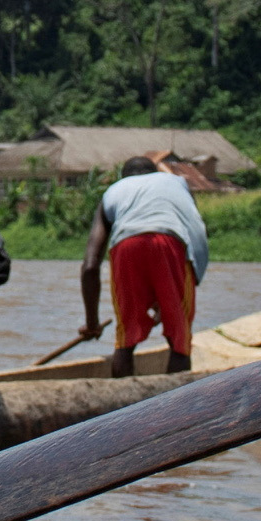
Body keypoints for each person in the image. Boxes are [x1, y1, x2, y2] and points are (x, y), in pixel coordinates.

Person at [90, 152, 206, 374]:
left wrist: (92, 322)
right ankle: (181, 403)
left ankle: (123, 402)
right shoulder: (176, 183)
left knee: (125, 339)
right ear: (155, 173)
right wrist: (185, 284)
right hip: (170, 242)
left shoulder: (113, 191)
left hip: (125, 245)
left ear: (124, 177)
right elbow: (197, 233)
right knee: (180, 340)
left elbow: (90, 265)